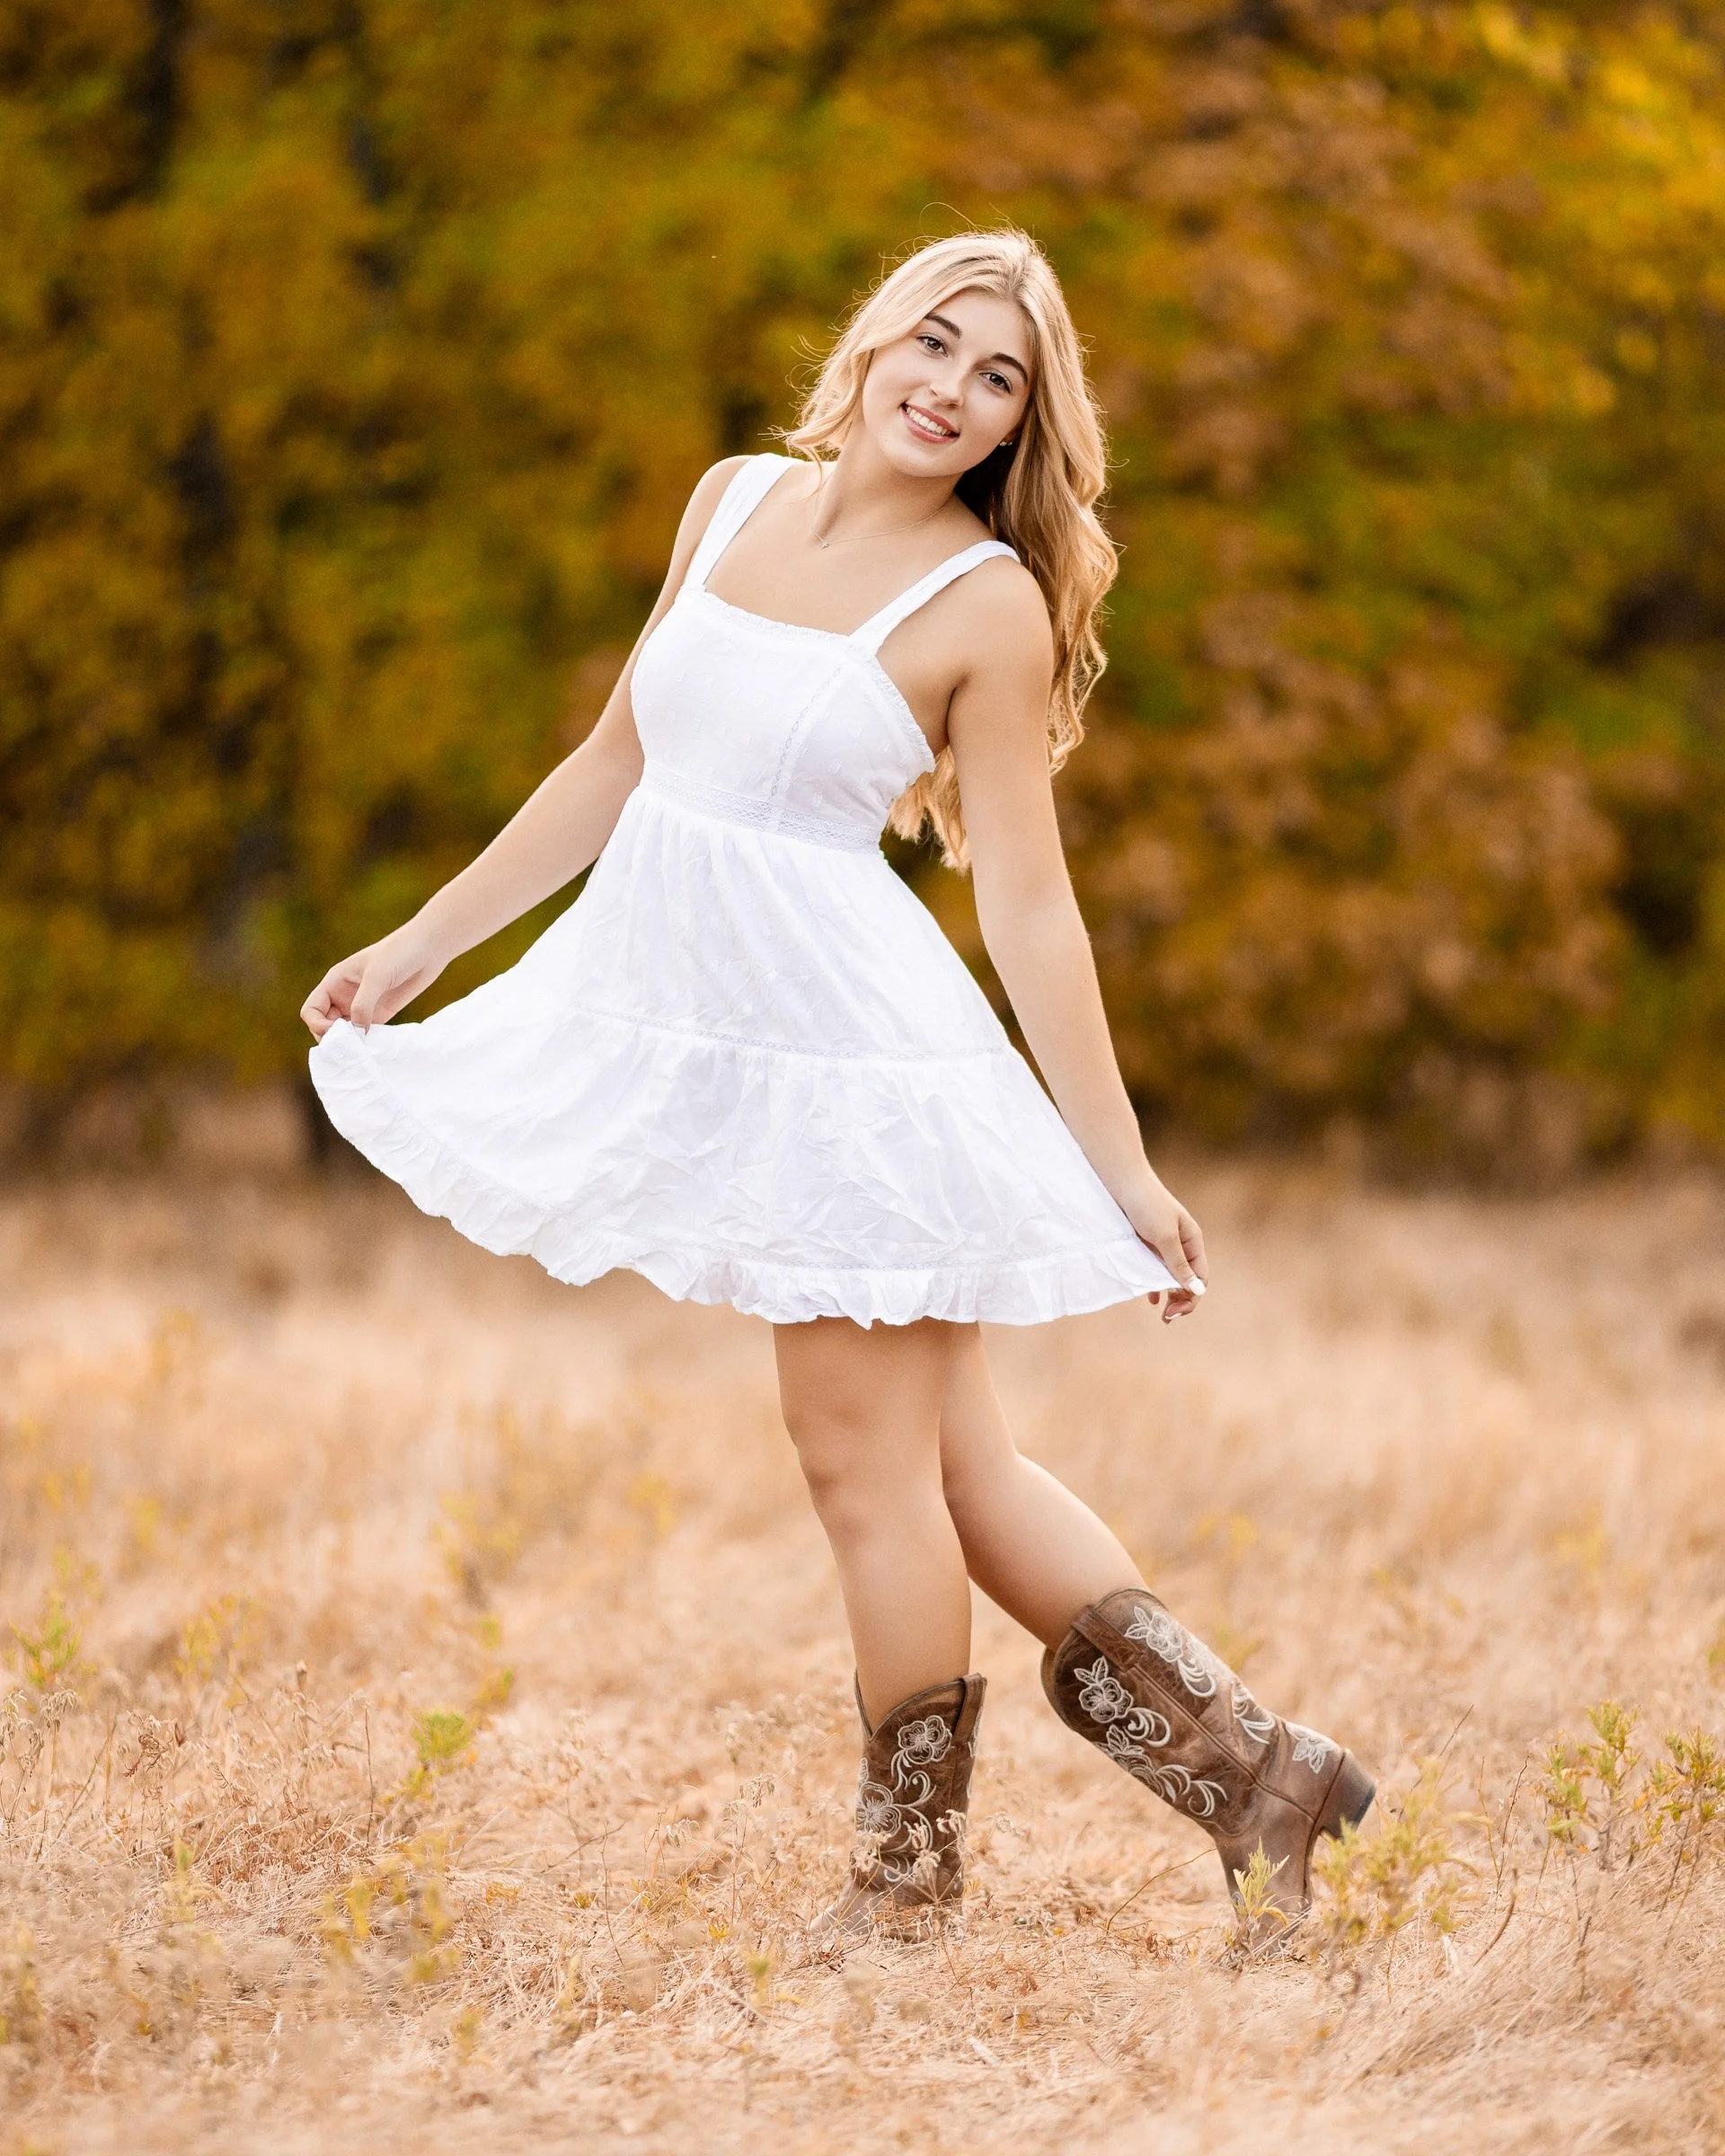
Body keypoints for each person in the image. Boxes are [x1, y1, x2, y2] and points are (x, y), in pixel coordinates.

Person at [301, 228, 1371, 1947]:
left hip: (856, 1078)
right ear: (872, 339)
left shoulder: (985, 603)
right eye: (932, 344)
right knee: (961, 1479)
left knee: (862, 1474)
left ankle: (906, 1891)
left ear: (1026, 421)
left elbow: (1025, 899)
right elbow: (616, 760)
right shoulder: (729, 500)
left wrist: (1122, 1162)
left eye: (997, 375)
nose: (949, 388)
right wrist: (427, 943)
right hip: (724, 1033)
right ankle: (1263, 1779)